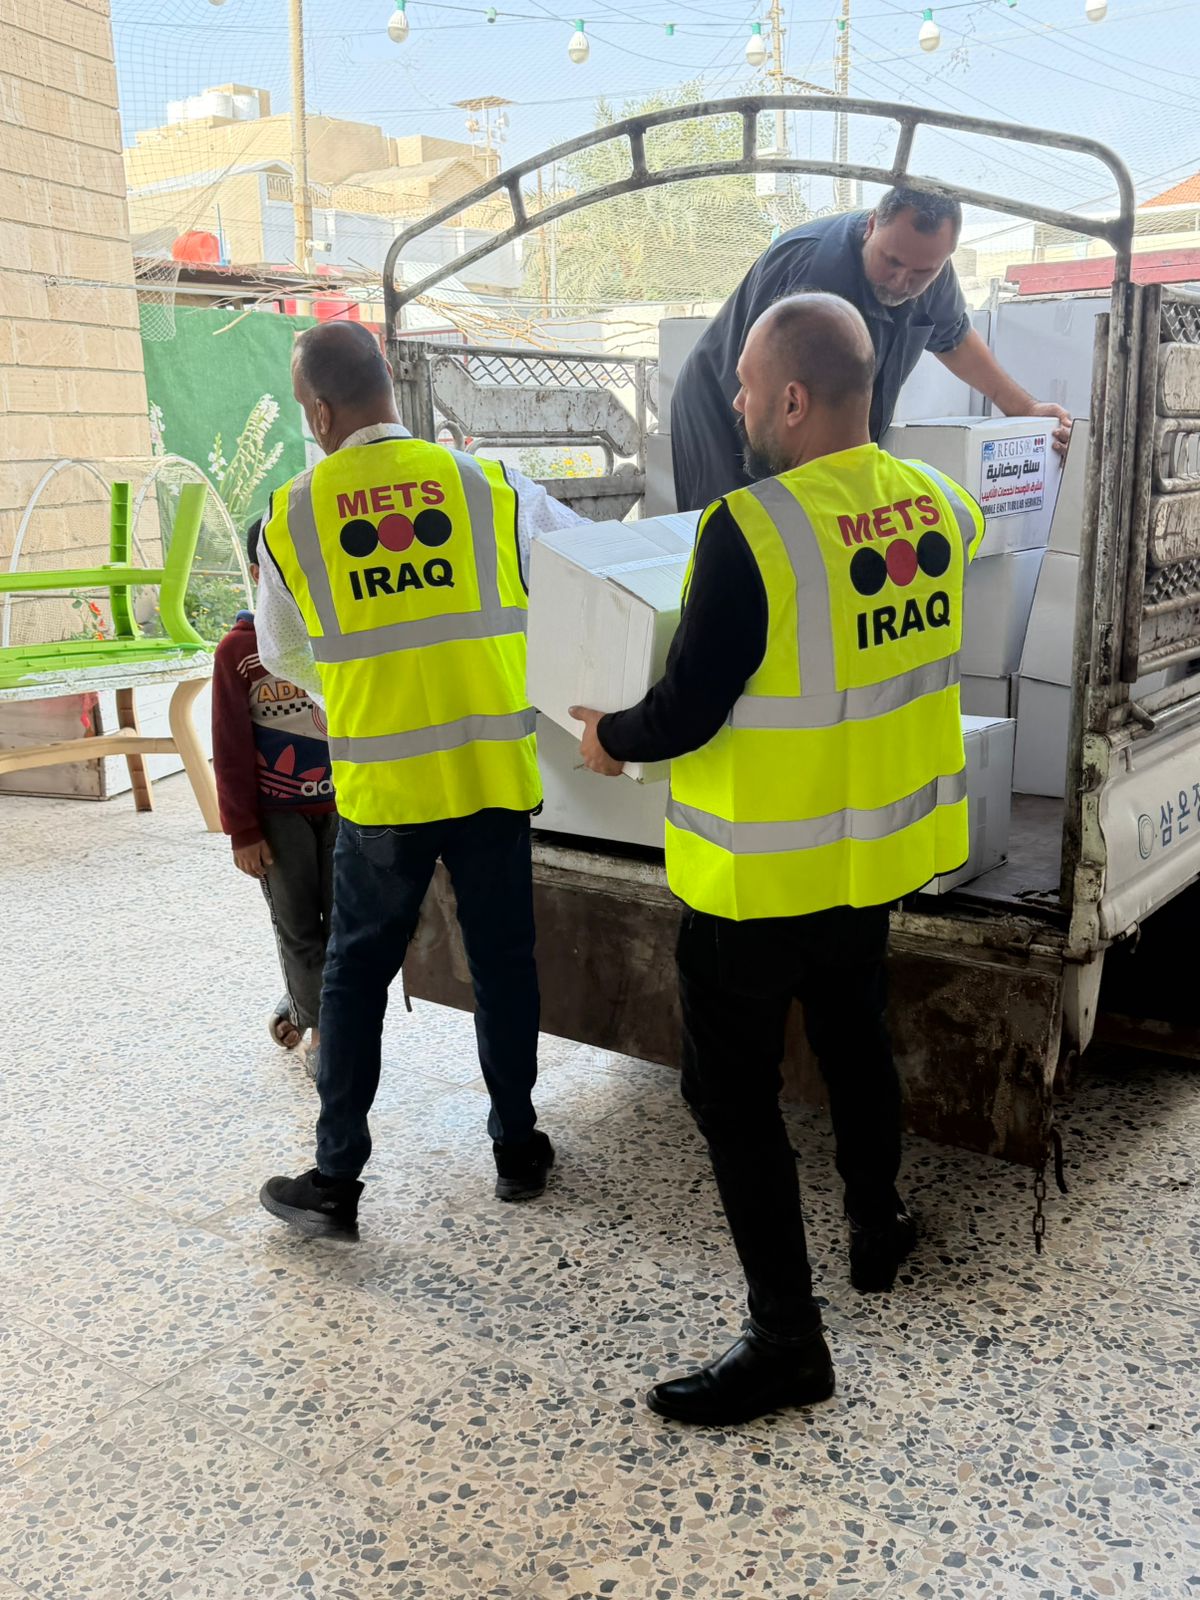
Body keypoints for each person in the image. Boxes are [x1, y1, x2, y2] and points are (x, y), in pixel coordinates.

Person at [572, 291, 985, 1427]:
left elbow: (690, 706)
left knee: (732, 1097)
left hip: (756, 883)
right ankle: (877, 1226)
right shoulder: (939, 504)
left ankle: (788, 1340)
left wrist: (611, 738)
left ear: (793, 400)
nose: (739, 406)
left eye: (748, 389)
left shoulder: (750, 530)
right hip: (871, 862)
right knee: (856, 1045)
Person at [256, 320, 584, 1241]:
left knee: (356, 975)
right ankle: (517, 1148)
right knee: (504, 965)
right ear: (390, 390)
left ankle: (336, 1181)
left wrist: (362, 692)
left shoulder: (293, 514)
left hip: (385, 789)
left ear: (320, 412)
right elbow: (574, 575)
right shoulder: (490, 484)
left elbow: (282, 653)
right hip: (489, 770)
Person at [670, 185, 1071, 512]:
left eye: (922, 272)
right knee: (738, 529)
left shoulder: (932, 271)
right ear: (872, 225)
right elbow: (771, 389)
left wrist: (1026, 407)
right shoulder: (813, 270)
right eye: (891, 261)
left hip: (797, 421)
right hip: (728, 407)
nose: (902, 282)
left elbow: (955, 340)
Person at [211, 517, 337, 1078]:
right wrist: (243, 830)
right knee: (298, 925)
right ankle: (323, 1035)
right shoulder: (237, 652)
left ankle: (303, 1004)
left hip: (347, 808)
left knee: (344, 925)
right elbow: (229, 745)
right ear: (258, 574)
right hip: (278, 817)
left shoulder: (338, 637)